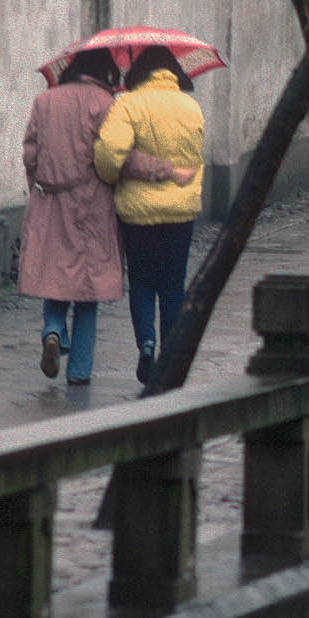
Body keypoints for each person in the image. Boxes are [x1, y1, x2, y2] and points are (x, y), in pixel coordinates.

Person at [20, 49, 138, 383]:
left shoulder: (45, 101)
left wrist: (37, 186)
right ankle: (80, 370)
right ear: (105, 73)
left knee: (54, 276)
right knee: (89, 288)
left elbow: (30, 152)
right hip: (92, 202)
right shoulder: (105, 104)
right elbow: (112, 156)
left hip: (50, 200)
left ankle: (53, 331)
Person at [95, 46, 206, 384]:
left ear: (139, 71)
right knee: (173, 285)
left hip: (138, 215)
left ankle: (146, 344)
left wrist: (114, 175)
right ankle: (171, 356)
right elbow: (195, 154)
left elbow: (110, 154)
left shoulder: (128, 104)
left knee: (142, 283)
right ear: (173, 71)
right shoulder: (191, 106)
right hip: (179, 212)